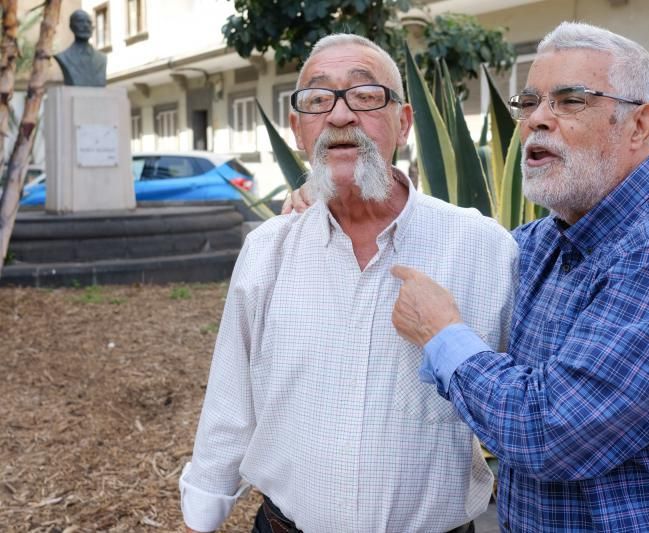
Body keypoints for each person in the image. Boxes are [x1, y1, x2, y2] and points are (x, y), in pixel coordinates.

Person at [390, 21, 649, 531]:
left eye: (570, 100)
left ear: (638, 124)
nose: (537, 120)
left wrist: (441, 335)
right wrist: (325, 205)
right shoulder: (542, 241)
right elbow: (438, 257)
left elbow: (551, 432)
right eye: (530, 102)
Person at [179, 34, 518, 532]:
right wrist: (205, 506)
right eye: (318, 99)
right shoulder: (268, 250)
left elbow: (524, 403)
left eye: (365, 96)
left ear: (403, 122)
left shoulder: (482, 247)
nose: (340, 116)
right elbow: (231, 401)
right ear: (298, 129)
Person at [54, 10, 107, 87]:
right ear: (71, 27)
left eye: (89, 22)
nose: (85, 26)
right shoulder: (64, 57)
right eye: (80, 21)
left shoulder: (102, 58)